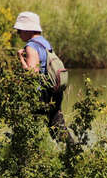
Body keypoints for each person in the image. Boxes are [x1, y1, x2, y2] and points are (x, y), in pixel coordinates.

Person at [14, 11, 71, 141]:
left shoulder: (31, 46)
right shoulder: (45, 43)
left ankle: (27, 157)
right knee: (57, 127)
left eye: (19, 31)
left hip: (41, 94)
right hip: (54, 92)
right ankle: (74, 153)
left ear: (28, 29)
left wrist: (20, 59)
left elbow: (31, 74)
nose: (18, 34)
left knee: (25, 127)